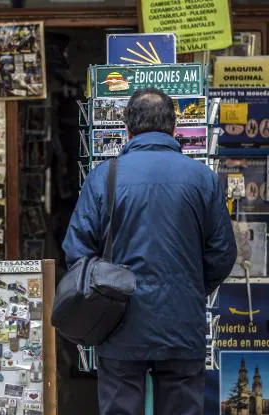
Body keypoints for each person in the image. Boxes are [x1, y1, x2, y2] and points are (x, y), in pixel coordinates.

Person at [62, 88, 237, 415]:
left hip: (118, 322)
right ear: (174, 127)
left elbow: (77, 251)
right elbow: (223, 252)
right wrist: (195, 287)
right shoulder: (203, 179)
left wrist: (104, 288)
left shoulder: (105, 177)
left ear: (128, 128)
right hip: (182, 325)